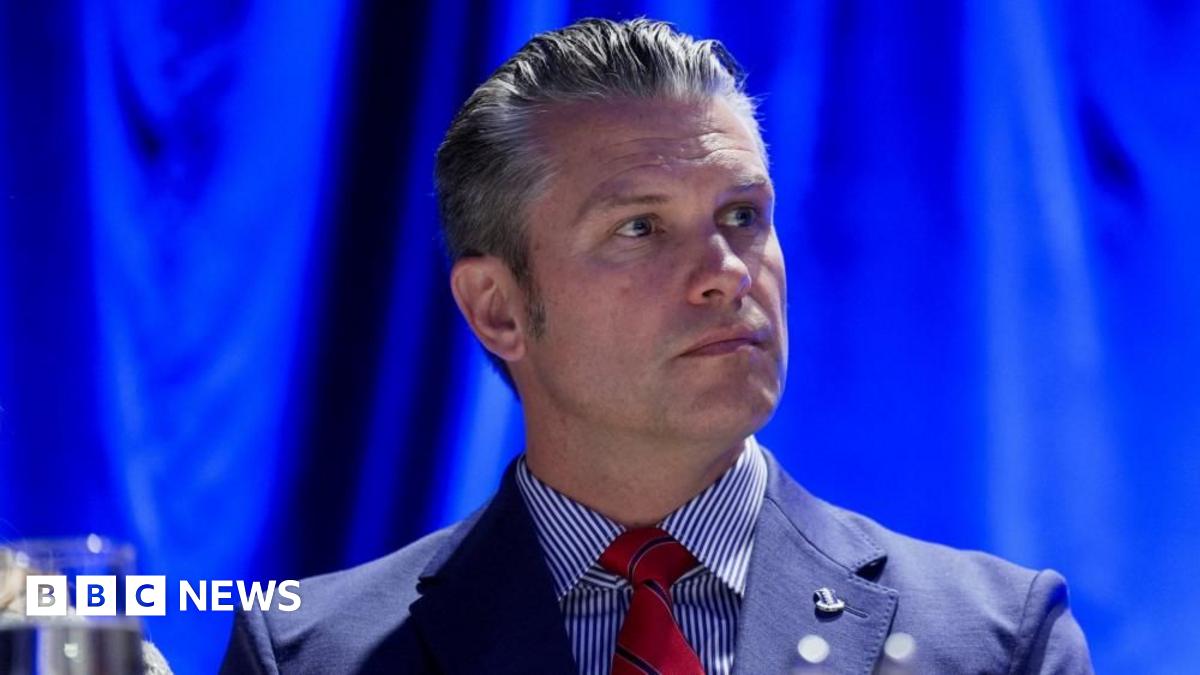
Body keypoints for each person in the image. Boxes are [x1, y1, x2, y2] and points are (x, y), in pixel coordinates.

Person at [221, 18, 1092, 674]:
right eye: (641, 227)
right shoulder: (314, 653)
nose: (725, 274)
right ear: (498, 309)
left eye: (743, 217)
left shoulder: (993, 639)